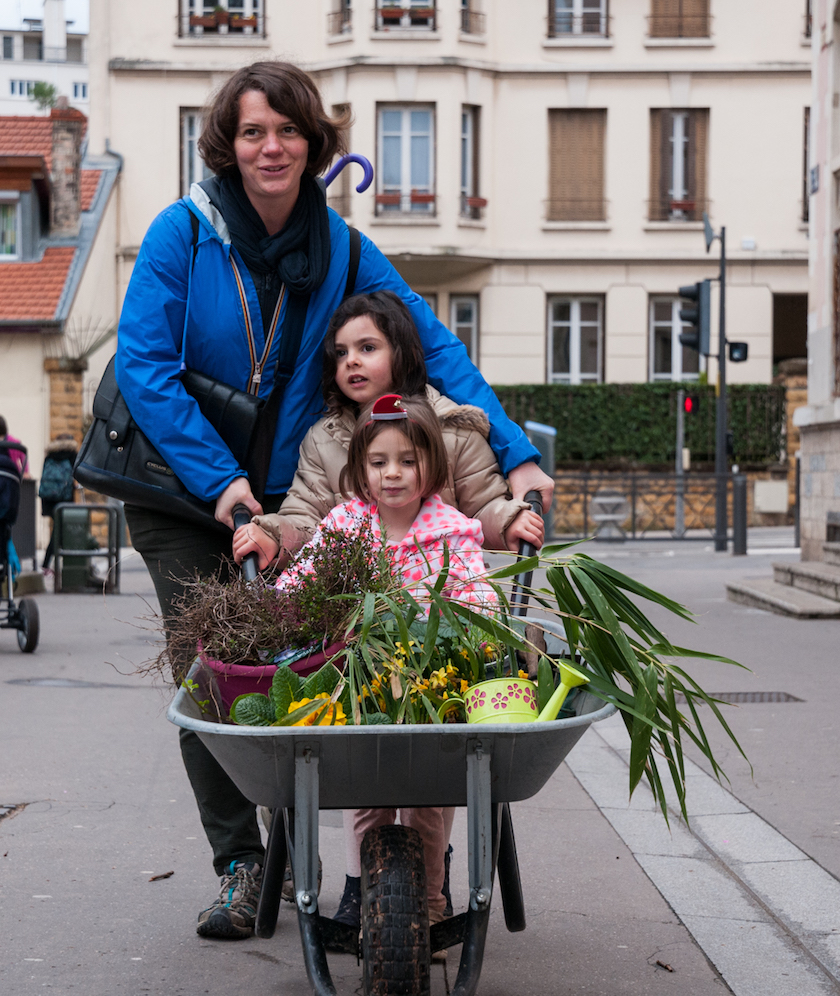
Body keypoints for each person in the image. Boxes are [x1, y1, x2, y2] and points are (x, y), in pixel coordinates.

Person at [112, 59, 553, 941]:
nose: (271, 148)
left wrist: (517, 457)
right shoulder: (182, 235)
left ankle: (361, 854)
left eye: (288, 131)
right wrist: (222, 483)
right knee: (214, 674)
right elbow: (143, 367)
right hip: (183, 491)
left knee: (312, 668)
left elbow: (434, 350)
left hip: (295, 499)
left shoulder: (346, 251)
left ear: (314, 143)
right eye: (252, 132)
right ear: (227, 145)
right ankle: (245, 866)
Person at [274, 394, 491, 937]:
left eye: (408, 461)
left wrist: (465, 623)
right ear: (361, 467)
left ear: (431, 465)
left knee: (428, 799)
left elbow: (479, 600)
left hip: (429, 689)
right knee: (364, 789)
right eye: (379, 462)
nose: (392, 473)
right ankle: (361, 889)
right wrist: (290, 615)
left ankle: (432, 901)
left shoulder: (451, 530)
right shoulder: (347, 524)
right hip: (359, 685)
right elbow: (298, 585)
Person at [233, 291, 545, 572]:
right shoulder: (323, 439)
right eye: (340, 353)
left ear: (401, 354)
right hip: (356, 599)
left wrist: (508, 521)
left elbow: (482, 507)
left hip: (441, 590)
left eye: (367, 348)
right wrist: (274, 536)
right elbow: (306, 521)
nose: (351, 361)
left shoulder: (453, 429)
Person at [37, 433, 78, 577]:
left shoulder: (50, 455)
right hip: (64, 499)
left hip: (49, 499)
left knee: (59, 530)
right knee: (59, 532)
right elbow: (77, 474)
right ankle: (46, 565)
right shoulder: (72, 455)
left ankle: (55, 564)